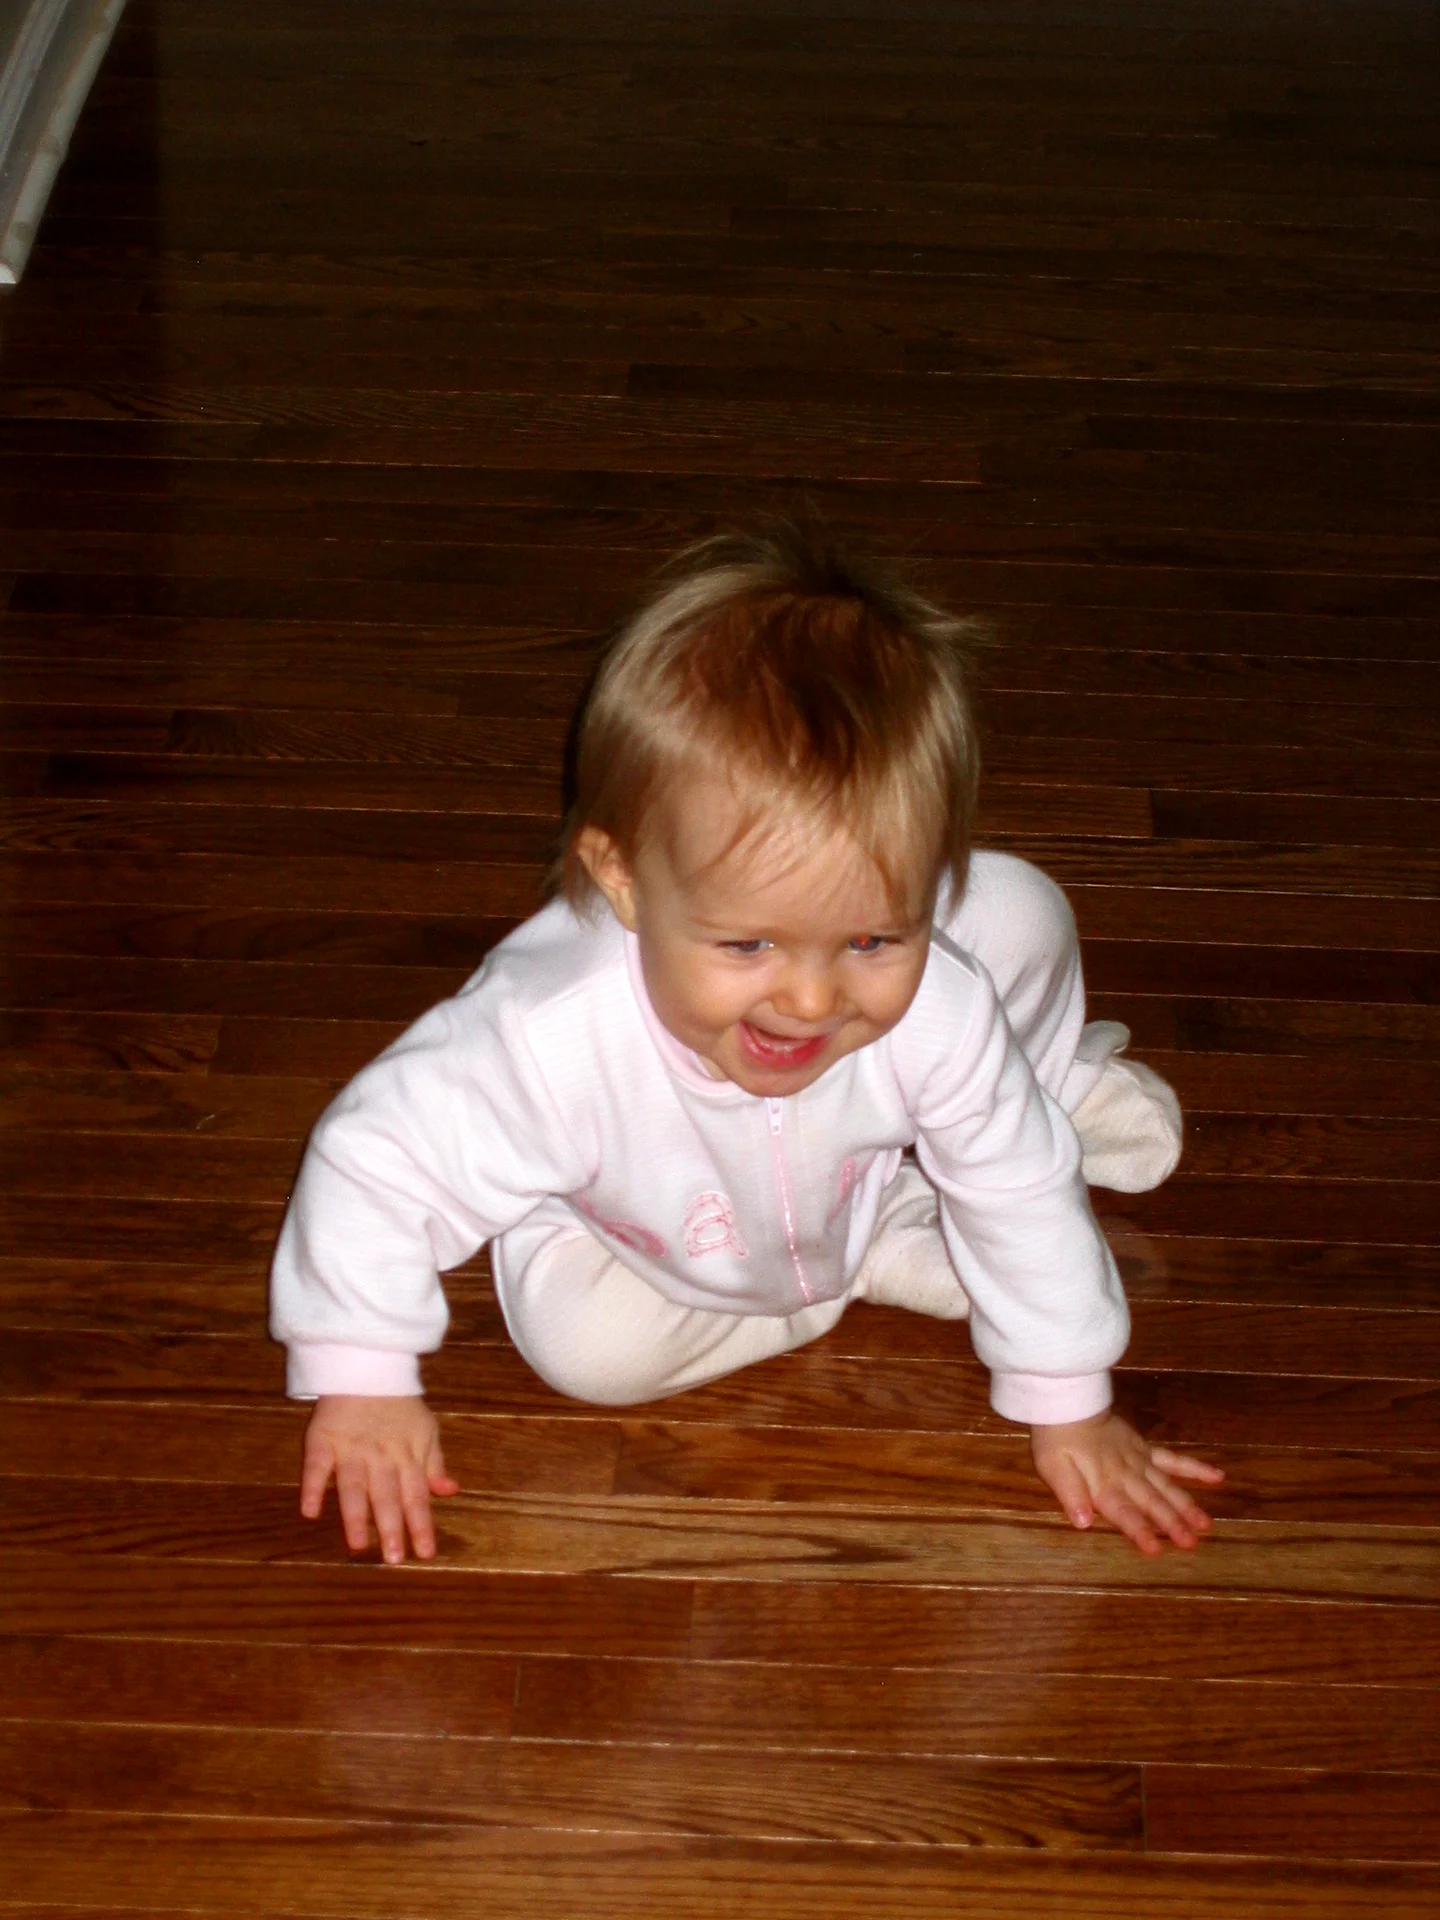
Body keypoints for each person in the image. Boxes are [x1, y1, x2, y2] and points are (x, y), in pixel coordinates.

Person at [271, 522, 1223, 1566]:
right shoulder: (544, 1038)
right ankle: (874, 1243)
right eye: (747, 943)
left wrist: (1069, 1400)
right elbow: (377, 1161)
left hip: (871, 1134)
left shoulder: (932, 1001)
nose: (811, 1000)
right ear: (622, 881)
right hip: (651, 1218)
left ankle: (1031, 1093)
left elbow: (1021, 1188)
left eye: (871, 936)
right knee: (587, 1352)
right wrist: (363, 1377)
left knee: (1023, 916)